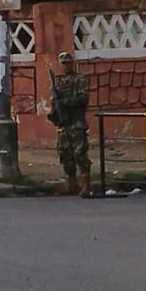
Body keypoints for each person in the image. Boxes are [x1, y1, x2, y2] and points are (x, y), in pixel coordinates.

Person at [50, 51, 92, 197]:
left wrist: (65, 102)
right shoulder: (59, 83)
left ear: (72, 63)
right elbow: (55, 103)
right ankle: (71, 184)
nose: (65, 66)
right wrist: (54, 111)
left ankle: (85, 184)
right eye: (63, 63)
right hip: (64, 125)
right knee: (65, 155)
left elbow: (83, 99)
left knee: (80, 154)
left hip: (76, 122)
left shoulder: (79, 79)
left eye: (68, 62)